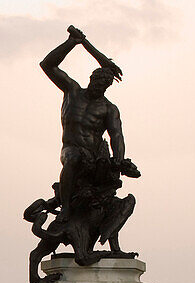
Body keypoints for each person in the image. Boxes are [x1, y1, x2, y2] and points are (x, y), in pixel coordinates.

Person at [39, 26, 139, 221]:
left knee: (108, 181)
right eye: (96, 82)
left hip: (93, 155)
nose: (99, 86)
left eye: (104, 85)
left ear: (108, 87)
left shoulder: (109, 108)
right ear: (90, 79)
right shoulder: (73, 91)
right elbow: (47, 65)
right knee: (73, 157)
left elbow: (116, 136)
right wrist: (73, 43)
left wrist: (119, 159)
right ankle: (65, 208)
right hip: (71, 149)